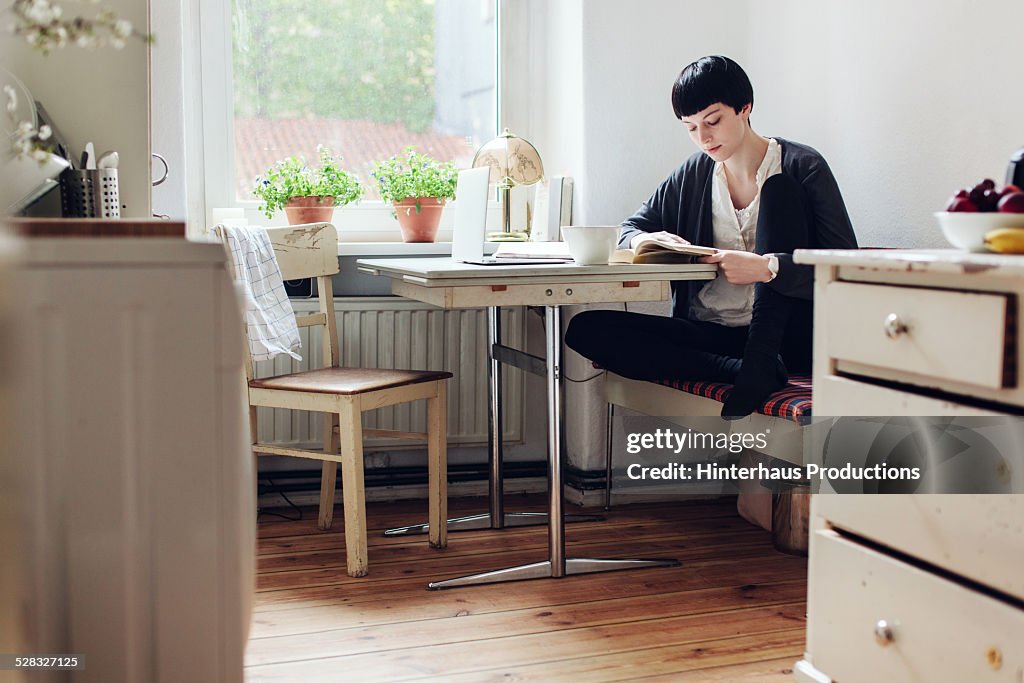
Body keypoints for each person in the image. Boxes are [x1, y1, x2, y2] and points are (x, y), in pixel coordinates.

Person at [565, 55, 858, 417]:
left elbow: (846, 270)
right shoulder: (694, 174)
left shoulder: (802, 166)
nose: (703, 138)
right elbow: (630, 229)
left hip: (784, 339)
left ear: (745, 108)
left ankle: (760, 362)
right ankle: (740, 372)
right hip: (714, 334)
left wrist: (769, 268)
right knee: (586, 329)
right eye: (690, 128)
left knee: (780, 192)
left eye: (713, 121)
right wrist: (647, 240)